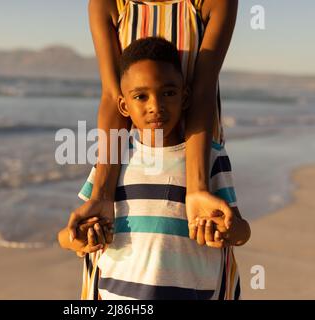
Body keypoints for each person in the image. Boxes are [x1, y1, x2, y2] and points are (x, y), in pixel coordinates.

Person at [61, 37, 250, 300]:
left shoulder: (211, 156)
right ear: (124, 106)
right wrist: (78, 238)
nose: (155, 106)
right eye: (141, 96)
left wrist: (228, 229)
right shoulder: (114, 158)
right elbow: (67, 237)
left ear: (184, 98)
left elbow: (241, 232)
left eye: (168, 93)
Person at [67, 0, 239, 257]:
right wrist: (102, 195)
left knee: (201, 253)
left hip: (198, 154)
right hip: (133, 156)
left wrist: (198, 188)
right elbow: (113, 97)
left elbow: (203, 91)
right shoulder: (110, 4)